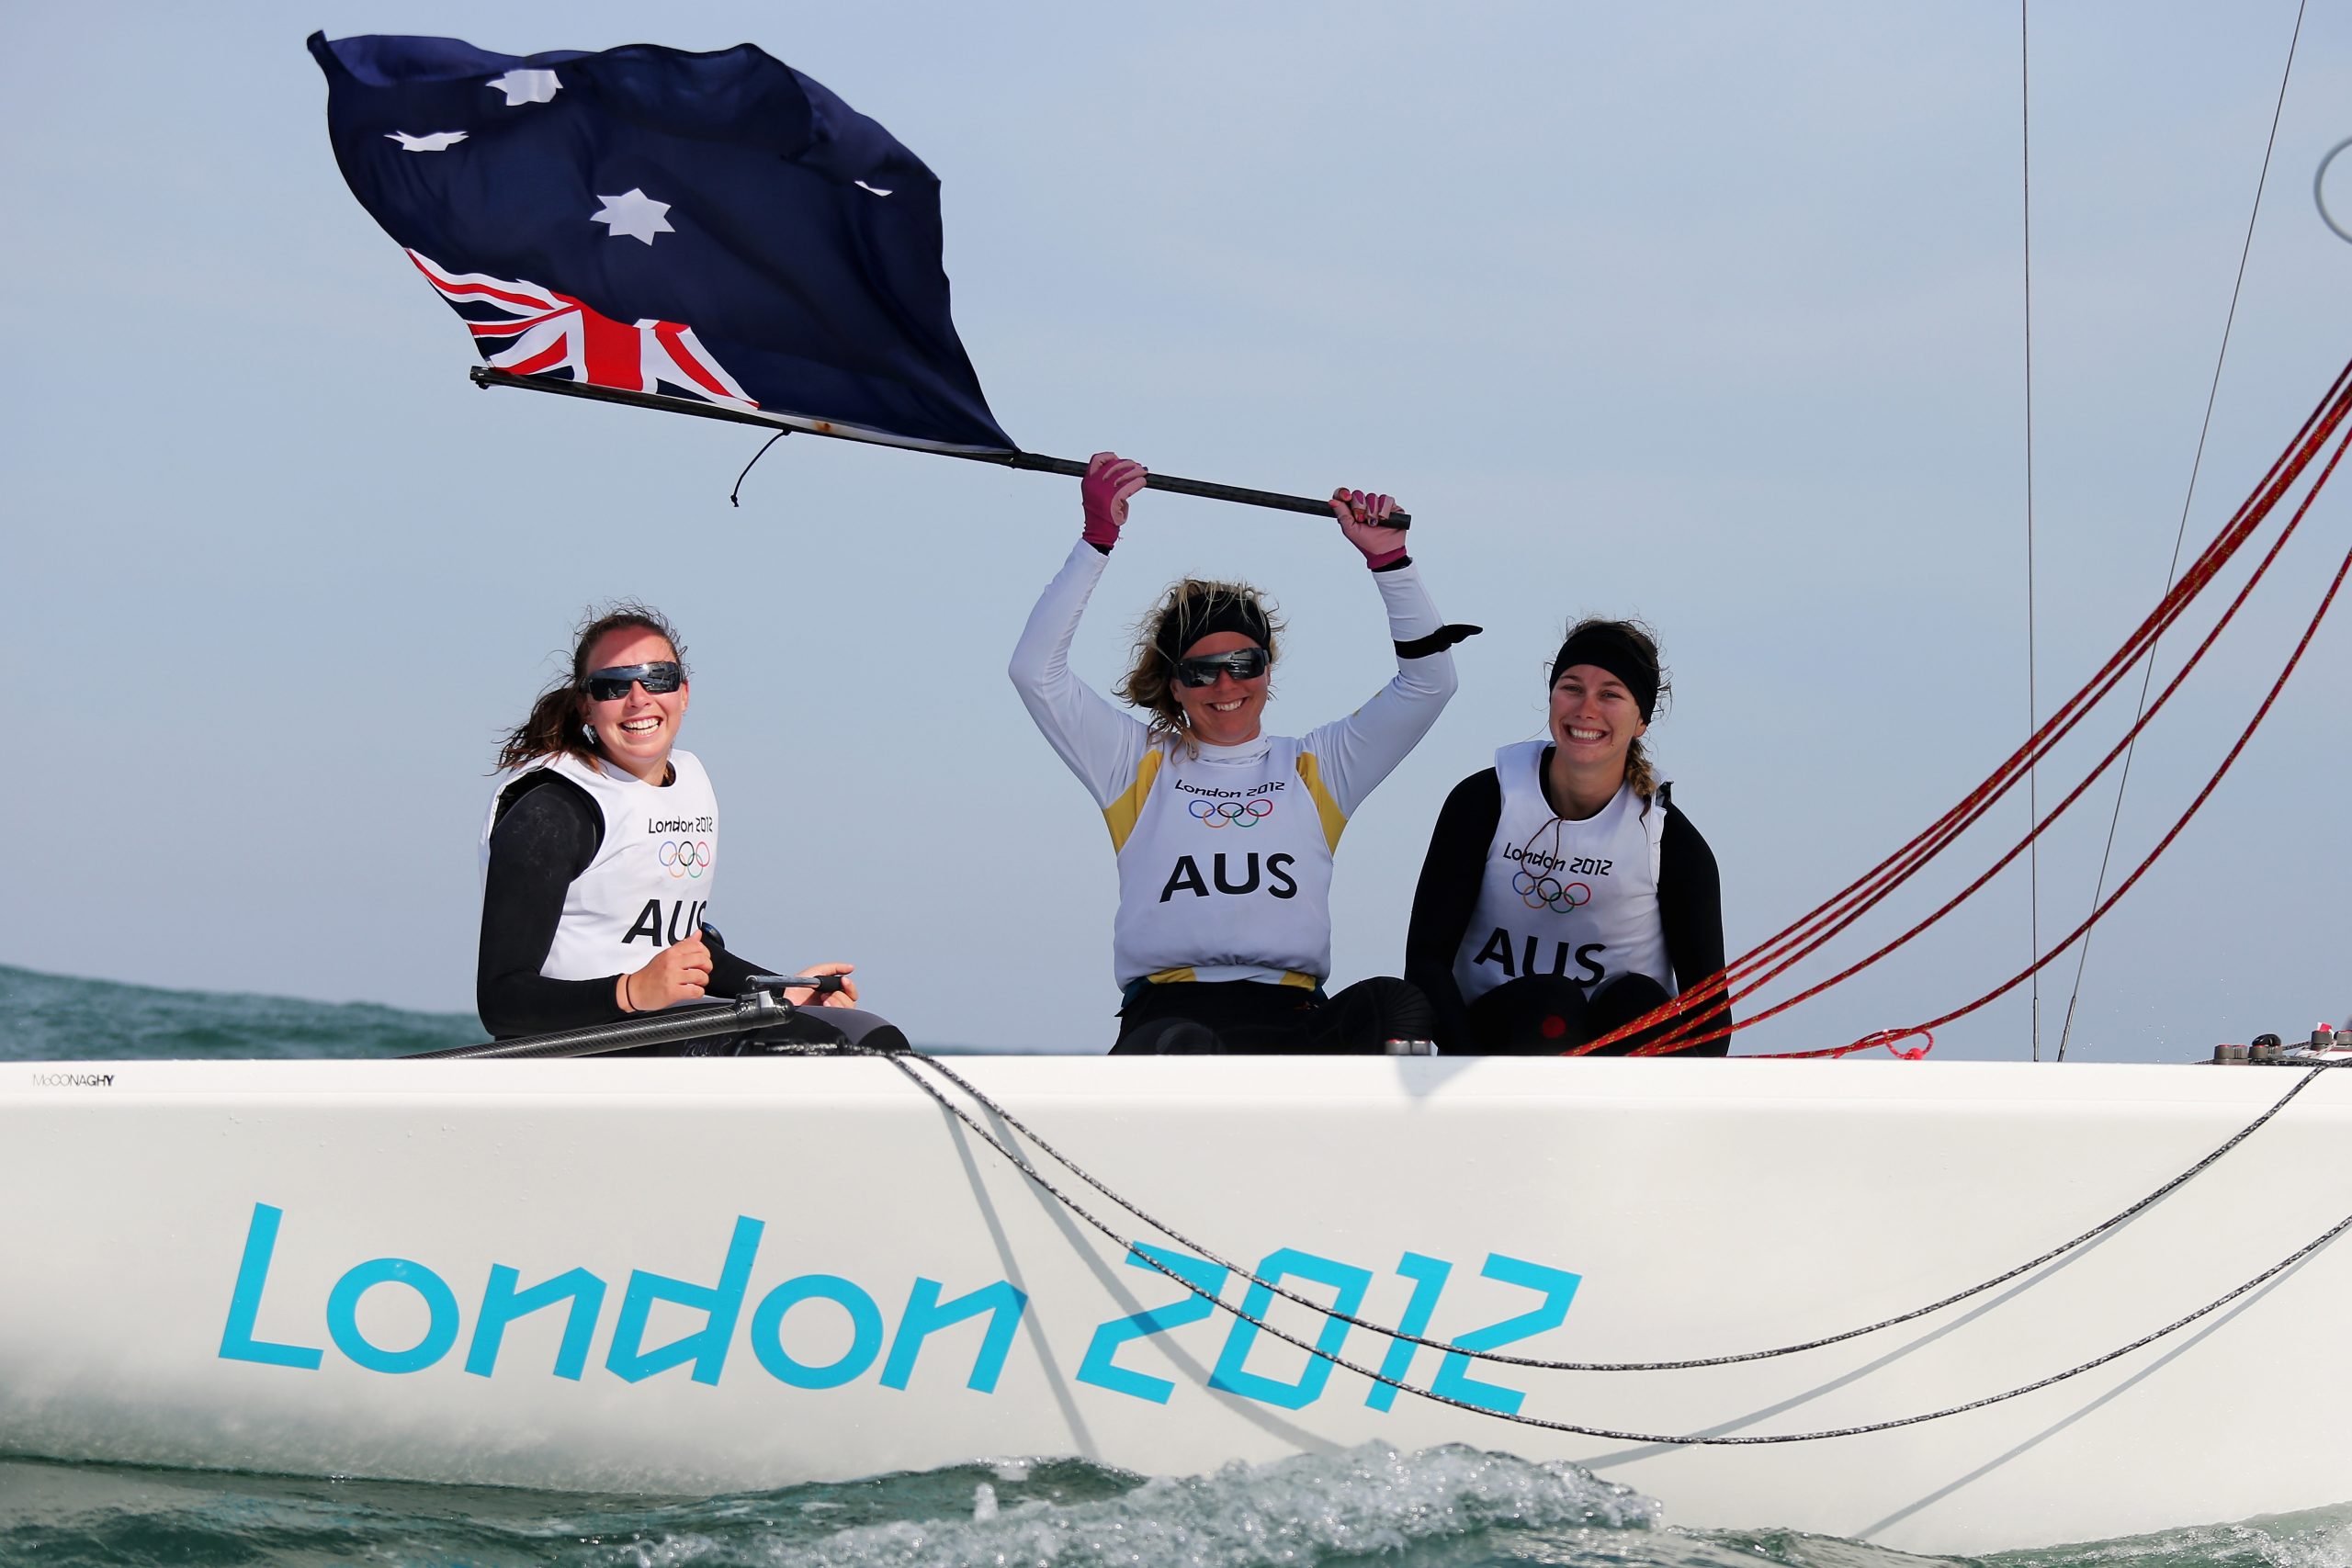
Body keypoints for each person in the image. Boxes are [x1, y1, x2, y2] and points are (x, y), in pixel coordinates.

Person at [1010, 452, 1475, 1054]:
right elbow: (1034, 671)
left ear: (1266, 669)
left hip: (1292, 1014)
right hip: (1170, 1016)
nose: (1226, 686)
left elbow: (1431, 683)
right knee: (1188, 1044)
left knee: (1397, 1003)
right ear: (1173, 684)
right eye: (1202, 672)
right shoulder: (1135, 762)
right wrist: (1097, 540)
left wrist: (1391, 562)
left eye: (1243, 664)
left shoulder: (1317, 768)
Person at [477, 604, 878, 1050]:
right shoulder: (550, 813)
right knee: (816, 1048)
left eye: (657, 679)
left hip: (660, 1027)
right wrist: (632, 991)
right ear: (586, 707)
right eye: (612, 686)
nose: (638, 699)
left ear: (683, 693)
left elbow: (688, 952)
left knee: (867, 1034)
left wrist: (779, 990)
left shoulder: (689, 785)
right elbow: (501, 1001)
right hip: (573, 1048)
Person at [1405, 618, 1730, 1055]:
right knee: (1551, 1006)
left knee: (1637, 1001)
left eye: (1610, 694)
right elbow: (1426, 964)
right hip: (1502, 1042)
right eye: (1572, 687)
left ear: (1641, 722)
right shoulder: (1484, 802)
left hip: (1621, 1049)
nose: (1586, 709)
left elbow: (1710, 1018)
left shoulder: (1669, 842)